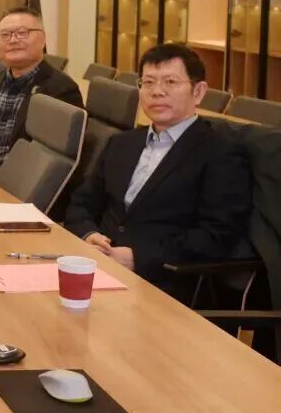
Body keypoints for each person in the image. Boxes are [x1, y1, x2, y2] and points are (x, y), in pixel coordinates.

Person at [65, 44, 252, 295]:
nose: (157, 92)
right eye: (148, 82)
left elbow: (217, 235)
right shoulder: (122, 142)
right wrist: (89, 234)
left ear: (198, 92)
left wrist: (139, 256)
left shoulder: (221, 153)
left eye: (170, 82)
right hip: (95, 266)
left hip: (158, 282)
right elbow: (81, 202)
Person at [0, 7, 84, 173]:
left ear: (43, 39)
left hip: (12, 181)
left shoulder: (60, 90)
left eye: (22, 33)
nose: (13, 40)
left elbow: (45, 157)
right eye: (5, 35)